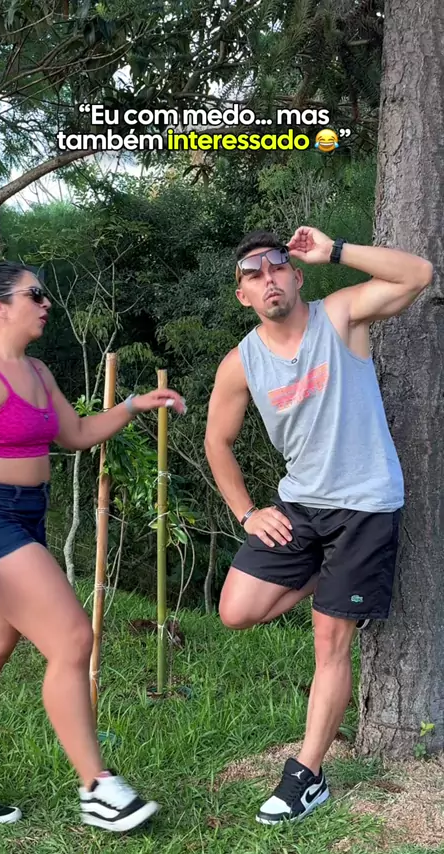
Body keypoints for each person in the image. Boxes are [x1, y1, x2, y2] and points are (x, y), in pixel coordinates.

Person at [204, 226, 433, 824]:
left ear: (296, 275)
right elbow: (217, 442)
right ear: (243, 296)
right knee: (236, 610)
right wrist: (248, 512)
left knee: (329, 643)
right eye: (253, 275)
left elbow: (418, 274)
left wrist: (336, 251)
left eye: (277, 267)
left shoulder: (340, 316)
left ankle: (306, 776)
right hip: (299, 506)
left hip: (364, 506)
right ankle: (336, 582)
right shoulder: (241, 363)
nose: (268, 280)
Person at [0, 258, 186, 831]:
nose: (46, 304)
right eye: (34, 295)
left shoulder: (37, 372)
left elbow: (76, 434)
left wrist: (133, 406)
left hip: (28, 518)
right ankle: (98, 789)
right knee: (72, 639)